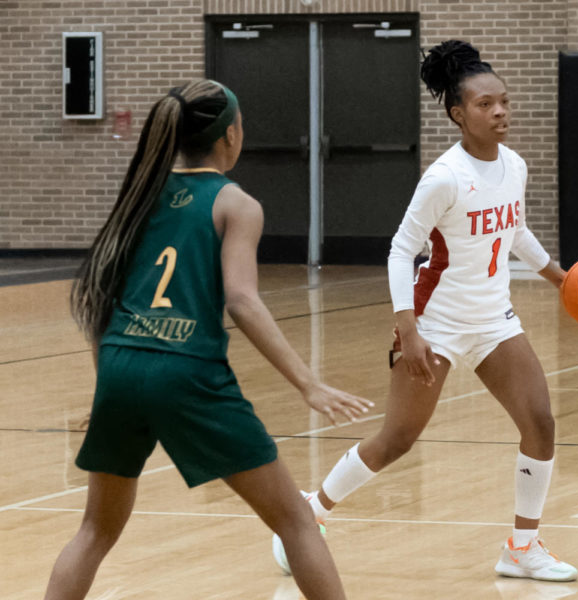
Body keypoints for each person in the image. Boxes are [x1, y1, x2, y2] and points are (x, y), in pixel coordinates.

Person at [44, 79, 372, 600]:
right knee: (295, 521)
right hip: (187, 370)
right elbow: (242, 301)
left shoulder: (139, 195)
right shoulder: (234, 203)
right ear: (230, 136)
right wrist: (308, 383)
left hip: (121, 364)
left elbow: (101, 297)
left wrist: (108, 384)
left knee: (94, 531)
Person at [272, 39, 577, 583]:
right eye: (486, 105)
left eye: (503, 101)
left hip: (493, 320)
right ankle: (310, 511)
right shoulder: (443, 177)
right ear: (459, 114)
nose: (500, 111)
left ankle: (522, 547)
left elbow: (516, 229)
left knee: (541, 423)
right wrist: (408, 330)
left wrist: (559, 276)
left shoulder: (515, 166)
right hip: (433, 324)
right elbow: (399, 249)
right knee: (396, 440)